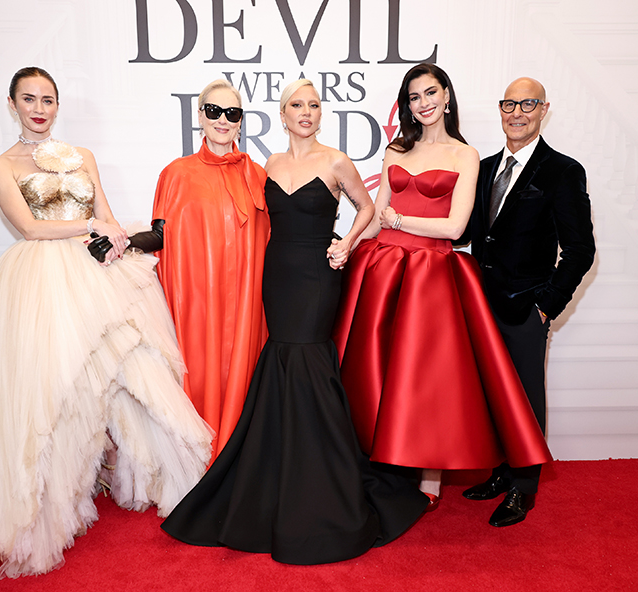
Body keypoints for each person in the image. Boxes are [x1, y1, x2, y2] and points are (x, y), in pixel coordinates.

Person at [0, 67, 214, 578]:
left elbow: (107, 213)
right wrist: (90, 224)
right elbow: (29, 227)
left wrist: (117, 238)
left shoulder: (82, 155)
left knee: (136, 371)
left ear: (58, 105)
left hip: (97, 268)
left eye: (48, 100)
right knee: (55, 390)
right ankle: (49, 507)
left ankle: (165, 482)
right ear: (12, 104)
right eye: (29, 99)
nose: (39, 108)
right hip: (43, 278)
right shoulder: (1, 164)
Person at [161, 79, 429, 565]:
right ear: (282, 116)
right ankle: (280, 470)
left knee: (310, 360)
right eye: (296, 106)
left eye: (313, 105)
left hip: (319, 274)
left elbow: (368, 207)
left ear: (320, 114)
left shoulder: (336, 161)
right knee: (282, 357)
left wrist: (346, 244)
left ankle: (324, 476)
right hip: (278, 275)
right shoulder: (268, 167)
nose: (306, 112)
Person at [332, 63, 552, 511]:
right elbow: (376, 217)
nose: (423, 103)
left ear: (447, 95)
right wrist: (347, 243)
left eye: (430, 93)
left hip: (431, 272)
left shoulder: (466, 156)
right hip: (383, 267)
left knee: (428, 374)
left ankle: (430, 475)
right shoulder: (396, 149)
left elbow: (454, 228)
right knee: (376, 368)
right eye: (414, 97)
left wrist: (400, 221)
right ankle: (381, 459)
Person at [458, 77, 595, 526]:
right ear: (500, 110)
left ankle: (524, 486)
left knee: (526, 399)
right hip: (481, 306)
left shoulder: (562, 171)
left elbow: (580, 250)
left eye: (527, 104)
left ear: (543, 109)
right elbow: (466, 232)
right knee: (491, 395)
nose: (517, 113)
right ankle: (501, 471)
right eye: (509, 104)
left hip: (526, 309)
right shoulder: (483, 168)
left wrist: (546, 306)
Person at [124, 80, 270, 456]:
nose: (223, 120)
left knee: (244, 378)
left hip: (246, 307)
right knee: (198, 378)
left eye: (232, 113)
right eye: (214, 111)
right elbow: (160, 235)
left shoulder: (258, 176)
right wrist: (124, 242)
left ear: (241, 121)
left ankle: (236, 460)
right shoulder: (176, 173)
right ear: (200, 115)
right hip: (196, 305)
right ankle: (197, 460)